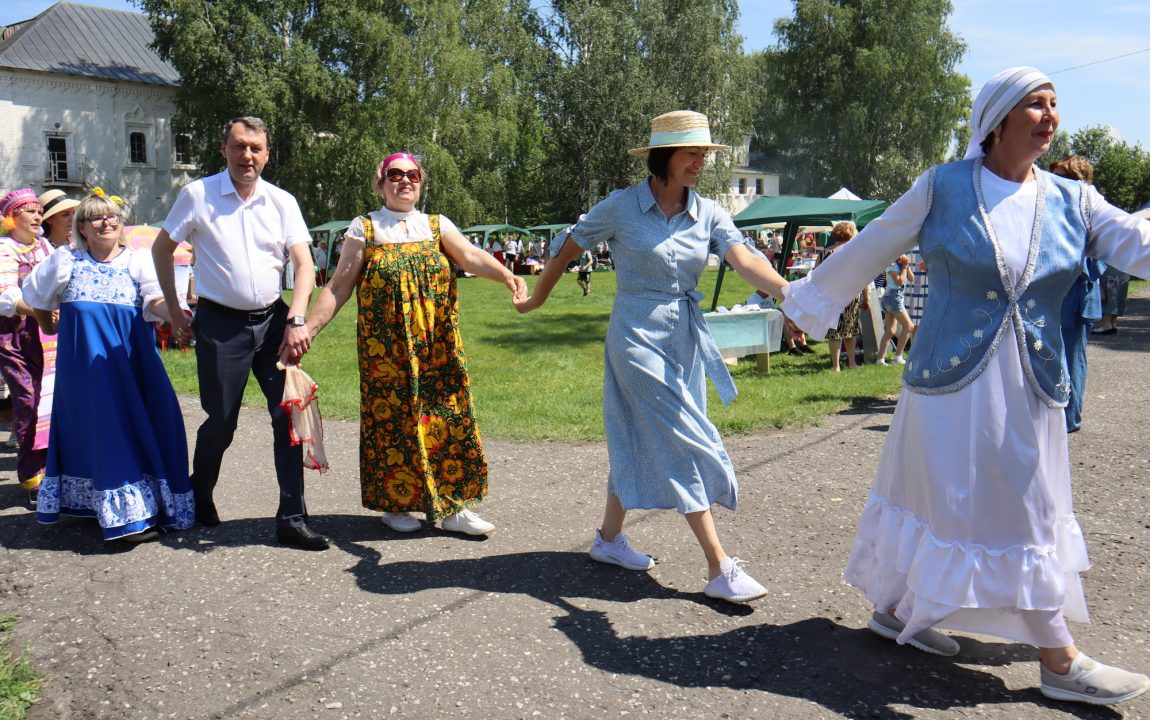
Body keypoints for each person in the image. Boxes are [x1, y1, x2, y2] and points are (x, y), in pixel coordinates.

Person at [782, 67, 1150, 706]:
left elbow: (1136, 243)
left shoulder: (1073, 199)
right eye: (1035, 104)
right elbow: (873, 246)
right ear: (999, 118)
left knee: (1023, 504)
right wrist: (804, 302)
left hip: (1029, 386)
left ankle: (899, 612)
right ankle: (1057, 660)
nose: (1049, 115)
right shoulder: (944, 187)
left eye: (1054, 104)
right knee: (955, 502)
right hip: (952, 388)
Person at [515, 110, 789, 604]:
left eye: (705, 154)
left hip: (682, 339)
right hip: (634, 338)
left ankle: (608, 540)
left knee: (641, 433)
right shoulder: (622, 206)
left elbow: (744, 259)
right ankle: (718, 565)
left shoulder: (708, 212)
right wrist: (536, 299)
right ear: (664, 155)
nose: (701, 162)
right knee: (679, 438)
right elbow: (566, 248)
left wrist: (790, 291)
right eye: (693, 153)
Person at [301, 152, 526, 536]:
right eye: (395, 174)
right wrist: (307, 329)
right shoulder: (365, 228)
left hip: (436, 345)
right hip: (385, 353)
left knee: (449, 417)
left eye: (413, 175)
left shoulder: (436, 225)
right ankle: (395, 503)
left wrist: (507, 276)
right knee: (391, 423)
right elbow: (338, 287)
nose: (405, 181)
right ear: (380, 182)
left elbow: (470, 256)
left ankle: (456, 505)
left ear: (421, 183)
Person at [152, 116, 326, 551]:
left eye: (256, 149)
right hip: (219, 325)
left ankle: (292, 517)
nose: (248, 156)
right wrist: (175, 310)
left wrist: (297, 318)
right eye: (240, 146)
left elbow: (304, 264)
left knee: (287, 415)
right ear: (224, 149)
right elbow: (161, 249)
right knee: (221, 422)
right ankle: (200, 492)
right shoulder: (197, 195)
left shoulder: (282, 201)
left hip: (274, 324)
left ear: (267, 154)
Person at [24, 193, 194, 541]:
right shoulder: (65, 261)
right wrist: (48, 325)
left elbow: (155, 300)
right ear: (81, 228)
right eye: (96, 219)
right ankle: (124, 519)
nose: (107, 223)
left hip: (132, 367)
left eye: (113, 217)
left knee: (152, 424)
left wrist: (176, 317)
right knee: (104, 433)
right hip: (86, 374)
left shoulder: (137, 261)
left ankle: (142, 505)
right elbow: (37, 297)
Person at [0, 189, 53, 506]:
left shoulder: (46, 247)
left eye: (38, 211)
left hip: (48, 337)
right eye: (29, 211)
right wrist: (41, 310)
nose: (37, 216)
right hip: (15, 338)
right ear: (11, 218)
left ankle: (55, 471)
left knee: (51, 403)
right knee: (29, 402)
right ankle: (33, 476)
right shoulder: (5, 250)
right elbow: (5, 297)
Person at [1050, 156, 1103, 433]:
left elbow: (1092, 264)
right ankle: (1058, 414)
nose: (1054, 182)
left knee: (1072, 357)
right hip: (1059, 297)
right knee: (1055, 356)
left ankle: (1070, 419)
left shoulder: (1089, 211)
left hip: (1078, 298)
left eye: (1062, 177)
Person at [819, 221, 867, 371]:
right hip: (851, 294)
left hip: (831, 295)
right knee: (850, 330)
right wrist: (867, 297)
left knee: (834, 331)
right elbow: (863, 277)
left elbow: (816, 275)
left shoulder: (824, 253)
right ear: (851, 234)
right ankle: (852, 363)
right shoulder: (855, 253)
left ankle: (836, 366)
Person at [875, 254, 915, 365]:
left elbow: (911, 279)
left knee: (890, 331)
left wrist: (907, 266)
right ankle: (898, 357)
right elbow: (900, 281)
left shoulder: (900, 264)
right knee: (909, 327)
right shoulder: (891, 264)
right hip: (893, 298)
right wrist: (905, 267)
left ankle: (880, 359)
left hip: (892, 298)